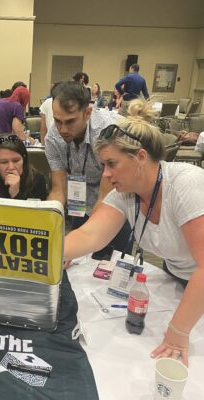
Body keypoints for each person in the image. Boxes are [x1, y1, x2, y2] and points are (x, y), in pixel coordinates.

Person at [64, 99, 204, 367]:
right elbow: (89, 235)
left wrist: (177, 333)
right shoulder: (125, 194)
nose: (105, 175)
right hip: (180, 277)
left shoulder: (186, 184)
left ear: (140, 157)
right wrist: (50, 252)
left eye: (111, 164)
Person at [45, 80, 131, 252]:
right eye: (57, 121)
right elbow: (58, 191)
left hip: (116, 199)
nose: (62, 129)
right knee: (78, 261)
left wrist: (78, 242)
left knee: (109, 263)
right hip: (81, 199)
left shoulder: (107, 133)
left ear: (87, 113)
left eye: (70, 122)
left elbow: (106, 196)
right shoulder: (53, 138)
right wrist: (47, 227)